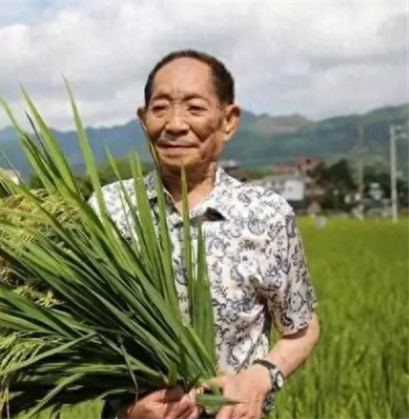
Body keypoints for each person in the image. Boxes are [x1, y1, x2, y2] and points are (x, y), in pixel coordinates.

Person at [88, 50, 320, 419]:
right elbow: (85, 331)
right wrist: (129, 407)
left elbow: (300, 330)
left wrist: (259, 378)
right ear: (142, 118)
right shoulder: (109, 209)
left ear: (228, 121)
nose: (175, 124)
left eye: (194, 108)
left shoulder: (266, 215)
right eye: (160, 108)